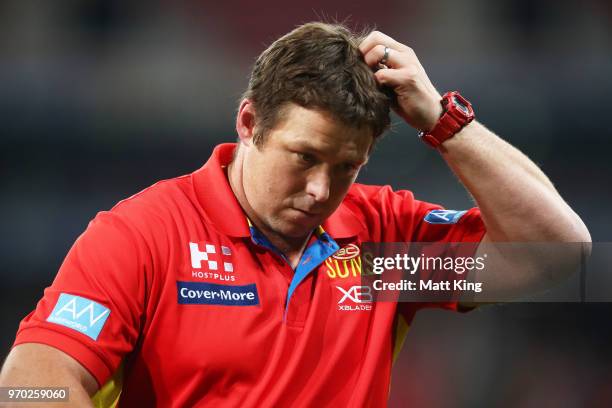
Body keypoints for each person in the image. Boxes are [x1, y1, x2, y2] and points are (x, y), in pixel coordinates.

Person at [0, 22, 590, 407]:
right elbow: (27, 384)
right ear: (249, 123)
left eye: (345, 167)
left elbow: (557, 256)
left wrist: (442, 119)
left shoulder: (380, 253)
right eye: (303, 157)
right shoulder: (145, 235)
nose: (318, 190)